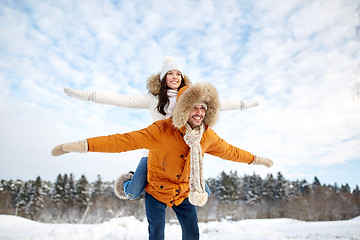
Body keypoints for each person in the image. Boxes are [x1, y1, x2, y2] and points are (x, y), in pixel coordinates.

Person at [52, 82, 273, 240]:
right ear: (184, 109)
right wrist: (83, 145)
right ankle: (131, 179)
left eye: (203, 108)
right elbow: (123, 141)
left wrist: (256, 160)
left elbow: (231, 151)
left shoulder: (208, 136)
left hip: (185, 192)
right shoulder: (161, 130)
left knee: (192, 232)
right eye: (194, 107)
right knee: (156, 233)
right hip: (156, 191)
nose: (198, 112)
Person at [63, 56, 260, 200]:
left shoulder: (190, 97)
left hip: (184, 153)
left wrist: (245, 104)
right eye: (170, 73)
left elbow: (220, 104)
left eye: (178, 74)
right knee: (132, 192)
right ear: (163, 77)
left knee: (204, 193)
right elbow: (121, 100)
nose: (174, 77)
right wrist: (88, 96)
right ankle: (130, 178)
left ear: (183, 78)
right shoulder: (153, 99)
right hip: (155, 150)